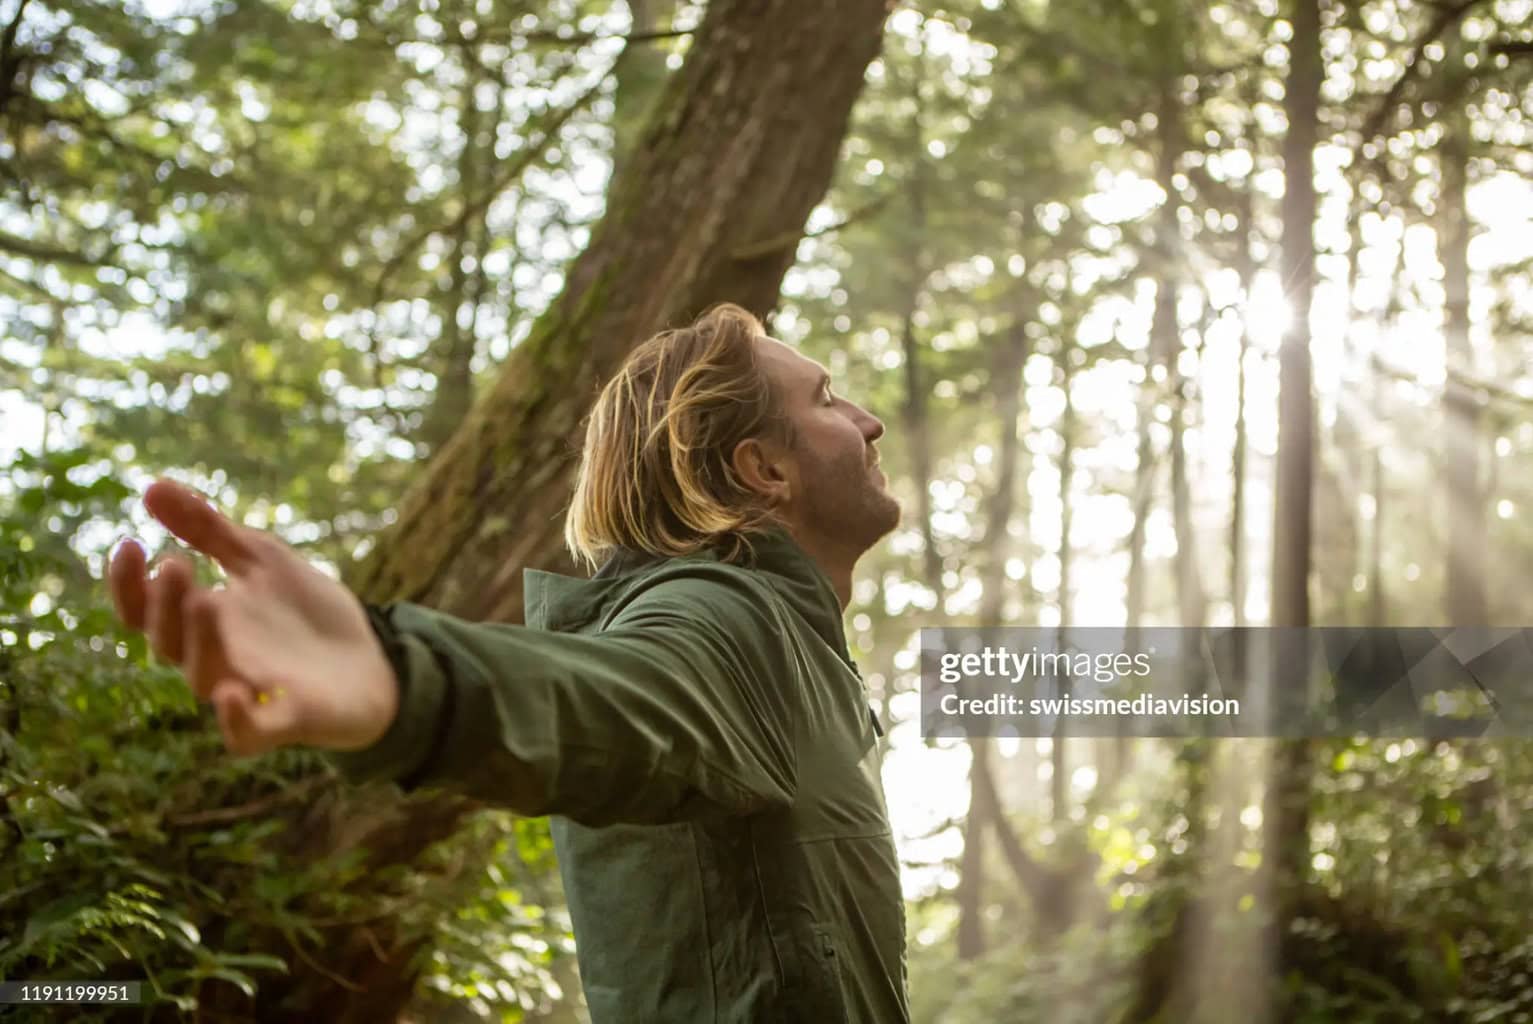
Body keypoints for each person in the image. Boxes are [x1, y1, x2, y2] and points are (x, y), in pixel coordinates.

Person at [109, 303, 909, 1022]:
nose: (868, 421)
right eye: (828, 400)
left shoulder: (793, 645)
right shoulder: (729, 621)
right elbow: (601, 699)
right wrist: (402, 673)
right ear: (763, 469)